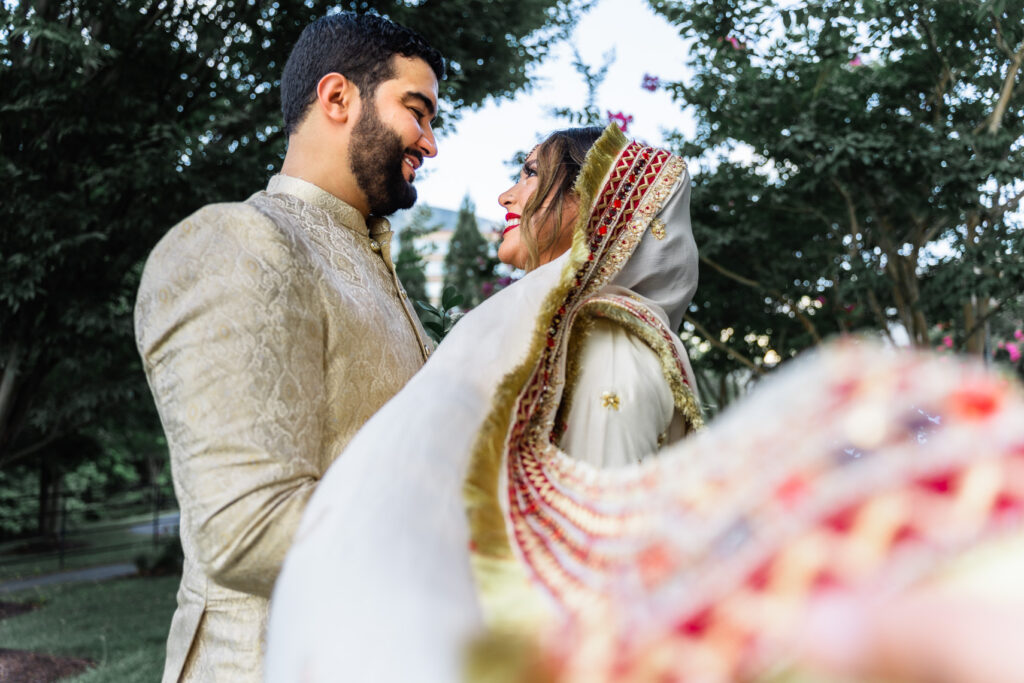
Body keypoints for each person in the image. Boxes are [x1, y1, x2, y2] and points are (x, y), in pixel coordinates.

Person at [266, 124, 1024, 682]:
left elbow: (601, 578)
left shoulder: (611, 346)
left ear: (589, 202)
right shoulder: (563, 342)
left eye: (528, 174)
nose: (507, 193)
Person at [134, 13, 442, 682]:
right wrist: (480, 537)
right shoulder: (240, 242)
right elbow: (245, 525)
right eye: (417, 111)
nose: (431, 142)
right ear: (337, 98)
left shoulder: (375, 266)